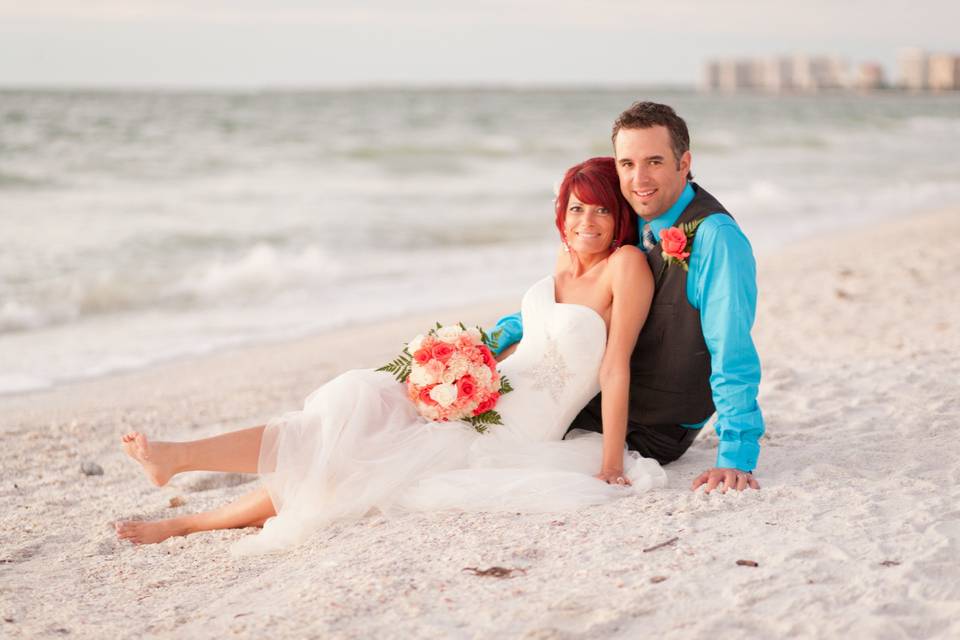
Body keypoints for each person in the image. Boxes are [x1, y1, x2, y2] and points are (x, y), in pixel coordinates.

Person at [114, 157, 667, 554]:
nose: (585, 222)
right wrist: (459, 371)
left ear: (617, 216)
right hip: (485, 395)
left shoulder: (626, 266)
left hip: (517, 429)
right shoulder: (564, 259)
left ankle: (189, 512)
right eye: (576, 209)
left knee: (350, 458)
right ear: (561, 212)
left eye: (599, 211)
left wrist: (611, 463)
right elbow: (532, 340)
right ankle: (180, 464)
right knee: (354, 409)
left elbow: (613, 367)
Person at [492, 102, 764, 493]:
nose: (639, 179)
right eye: (627, 164)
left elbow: (732, 351)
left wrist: (735, 456)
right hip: (601, 391)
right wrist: (486, 342)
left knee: (501, 433)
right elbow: (574, 300)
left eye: (654, 161)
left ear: (683, 163)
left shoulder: (717, 239)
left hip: (656, 424)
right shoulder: (628, 214)